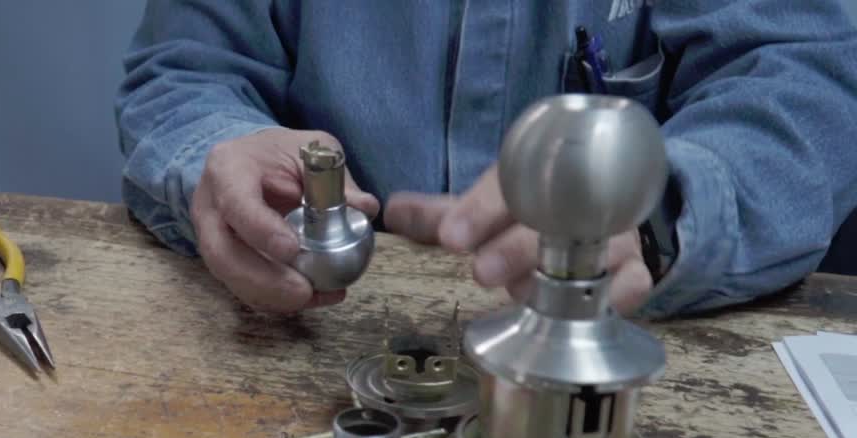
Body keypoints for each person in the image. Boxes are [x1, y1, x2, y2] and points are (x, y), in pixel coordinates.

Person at [113, 1, 857, 317]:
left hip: (623, 347)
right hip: (305, 335)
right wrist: (215, 153)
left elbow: (810, 85)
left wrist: (661, 213)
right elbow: (185, 69)